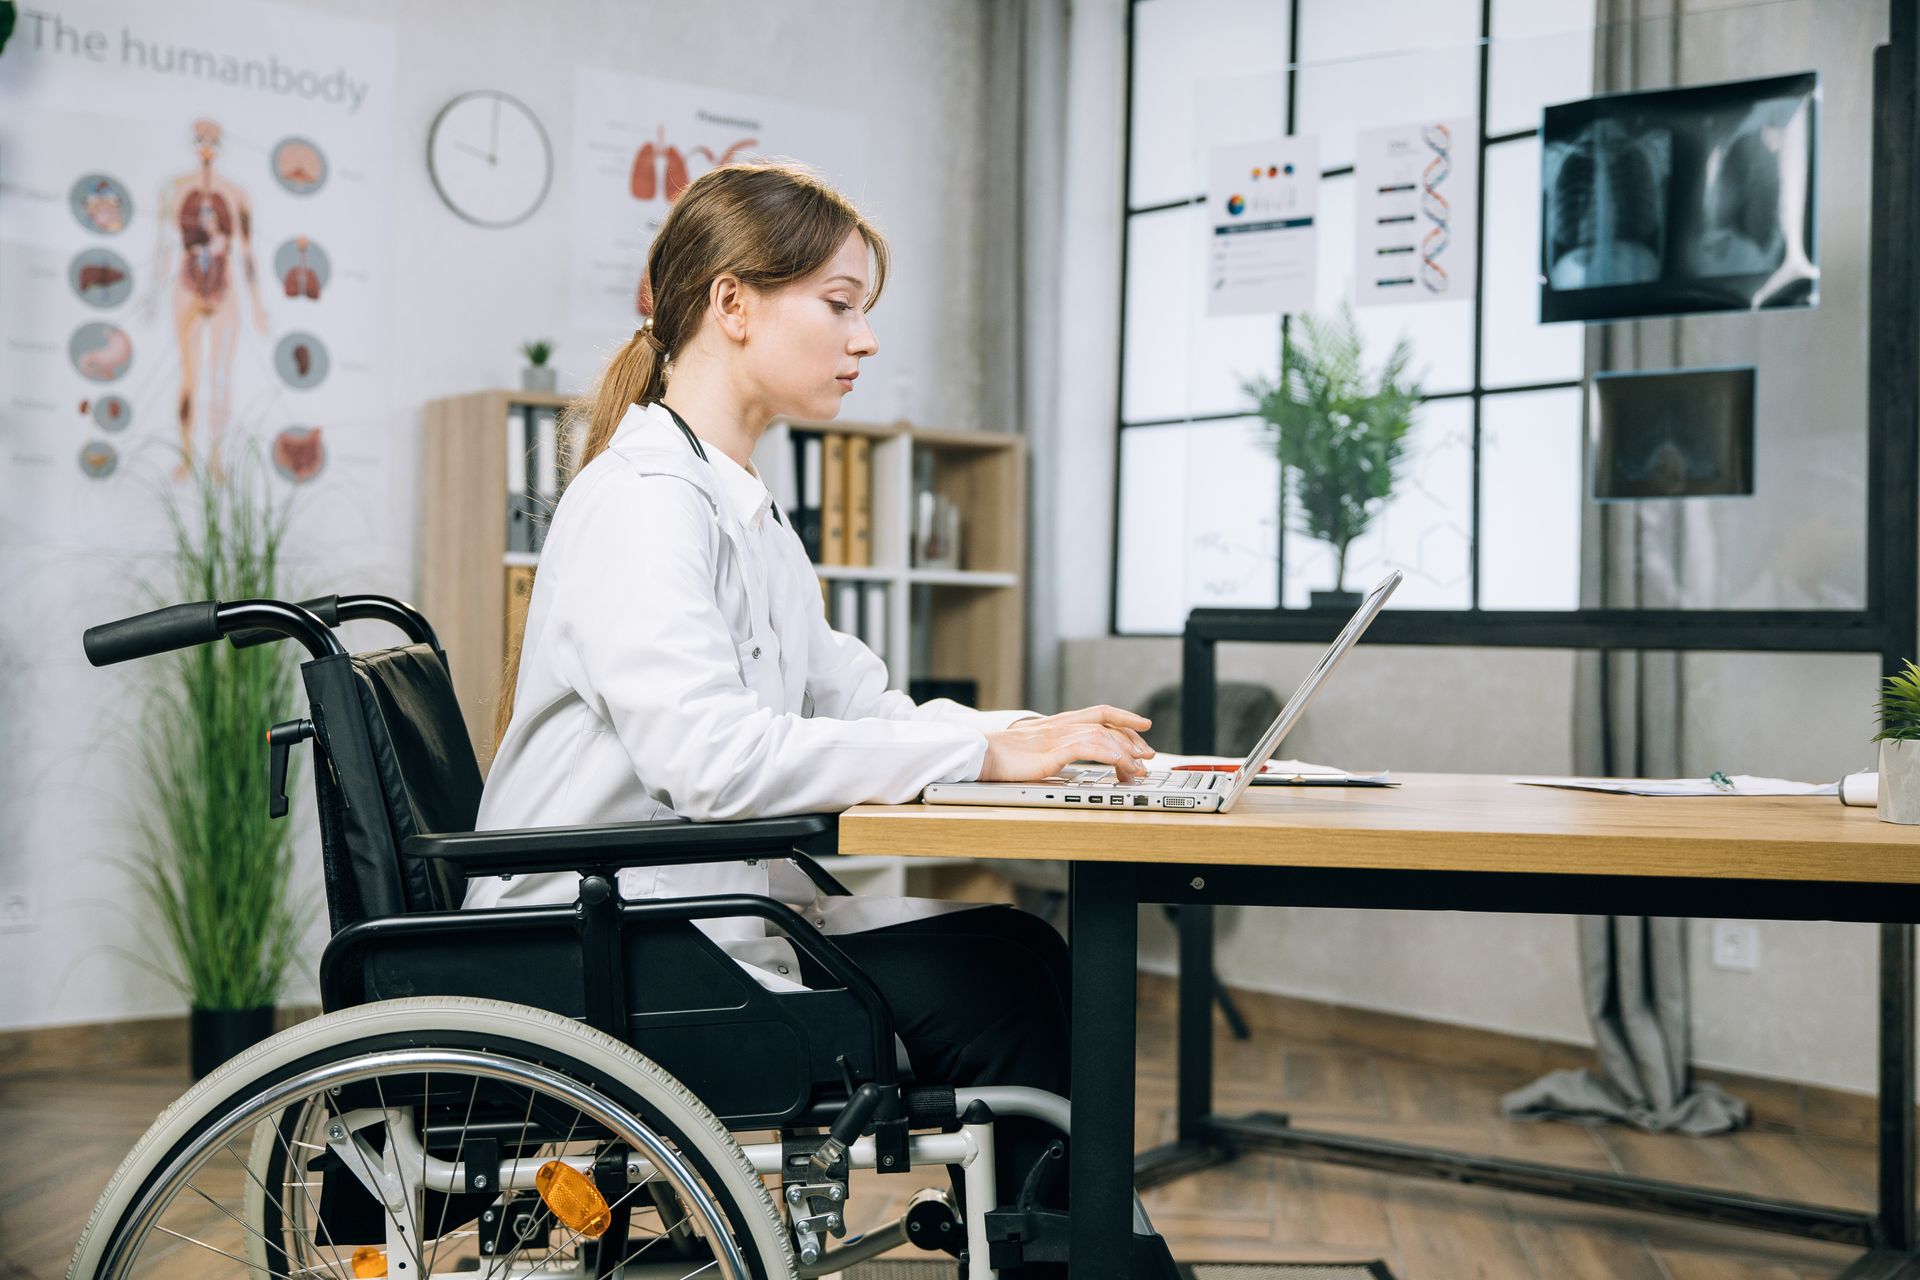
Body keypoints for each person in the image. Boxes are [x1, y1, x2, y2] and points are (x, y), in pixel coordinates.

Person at [464, 160, 1155, 1267]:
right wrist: (986, 746)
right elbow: (715, 762)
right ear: (731, 303)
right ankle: (1077, 1257)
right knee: (1006, 996)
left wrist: (1043, 735)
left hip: (676, 929)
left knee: (1021, 958)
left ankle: (1071, 1251)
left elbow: (858, 702)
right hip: (605, 958)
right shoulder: (646, 505)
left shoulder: (740, 509)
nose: (865, 339)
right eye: (840, 304)